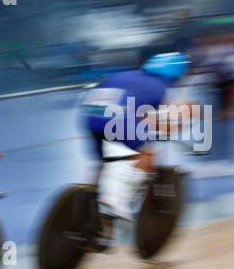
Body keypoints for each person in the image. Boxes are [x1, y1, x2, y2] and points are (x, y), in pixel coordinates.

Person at [81, 52, 190, 222]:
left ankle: (87, 196)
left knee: (104, 161)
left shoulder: (123, 75)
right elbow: (164, 123)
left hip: (89, 117)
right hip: (117, 119)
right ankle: (118, 199)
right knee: (147, 155)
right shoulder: (159, 87)